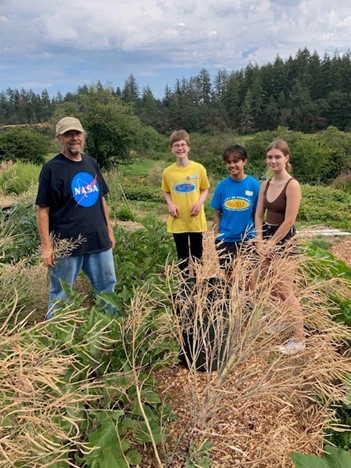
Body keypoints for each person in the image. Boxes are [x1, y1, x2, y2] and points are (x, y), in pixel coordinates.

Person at [36, 116, 116, 318]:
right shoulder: (51, 169)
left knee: (108, 289)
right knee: (60, 294)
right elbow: (42, 210)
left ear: (83, 136)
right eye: (68, 134)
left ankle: (111, 330)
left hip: (98, 240)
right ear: (59, 138)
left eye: (77, 133)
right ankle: (54, 336)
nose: (74, 138)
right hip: (67, 244)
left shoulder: (91, 163)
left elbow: (101, 200)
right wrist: (47, 246)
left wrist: (109, 230)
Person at [255, 139, 305, 356]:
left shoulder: (292, 185)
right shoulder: (264, 184)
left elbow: (289, 221)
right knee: (271, 287)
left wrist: (271, 244)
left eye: (277, 156)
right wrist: (259, 241)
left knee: (285, 290)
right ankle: (284, 323)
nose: (273, 160)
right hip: (265, 237)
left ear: (286, 158)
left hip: (284, 240)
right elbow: (258, 215)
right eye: (270, 157)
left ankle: (299, 338)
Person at [161, 129, 210, 273]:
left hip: (195, 219)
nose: (180, 148)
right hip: (178, 220)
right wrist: (170, 204)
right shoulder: (168, 172)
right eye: (176, 145)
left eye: (183, 144)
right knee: (181, 257)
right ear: (172, 149)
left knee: (197, 256)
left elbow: (204, 189)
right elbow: (166, 191)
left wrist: (199, 203)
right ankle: (184, 287)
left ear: (188, 147)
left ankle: (198, 286)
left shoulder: (199, 169)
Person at [210, 144, 260, 274]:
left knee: (249, 274)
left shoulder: (254, 185)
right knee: (228, 275)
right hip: (226, 239)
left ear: (244, 162)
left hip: (248, 238)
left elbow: (258, 214)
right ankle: (232, 295)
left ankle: (249, 295)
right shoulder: (222, 186)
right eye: (228, 162)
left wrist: (258, 237)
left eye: (236, 161)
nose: (232, 165)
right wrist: (216, 237)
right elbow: (216, 213)